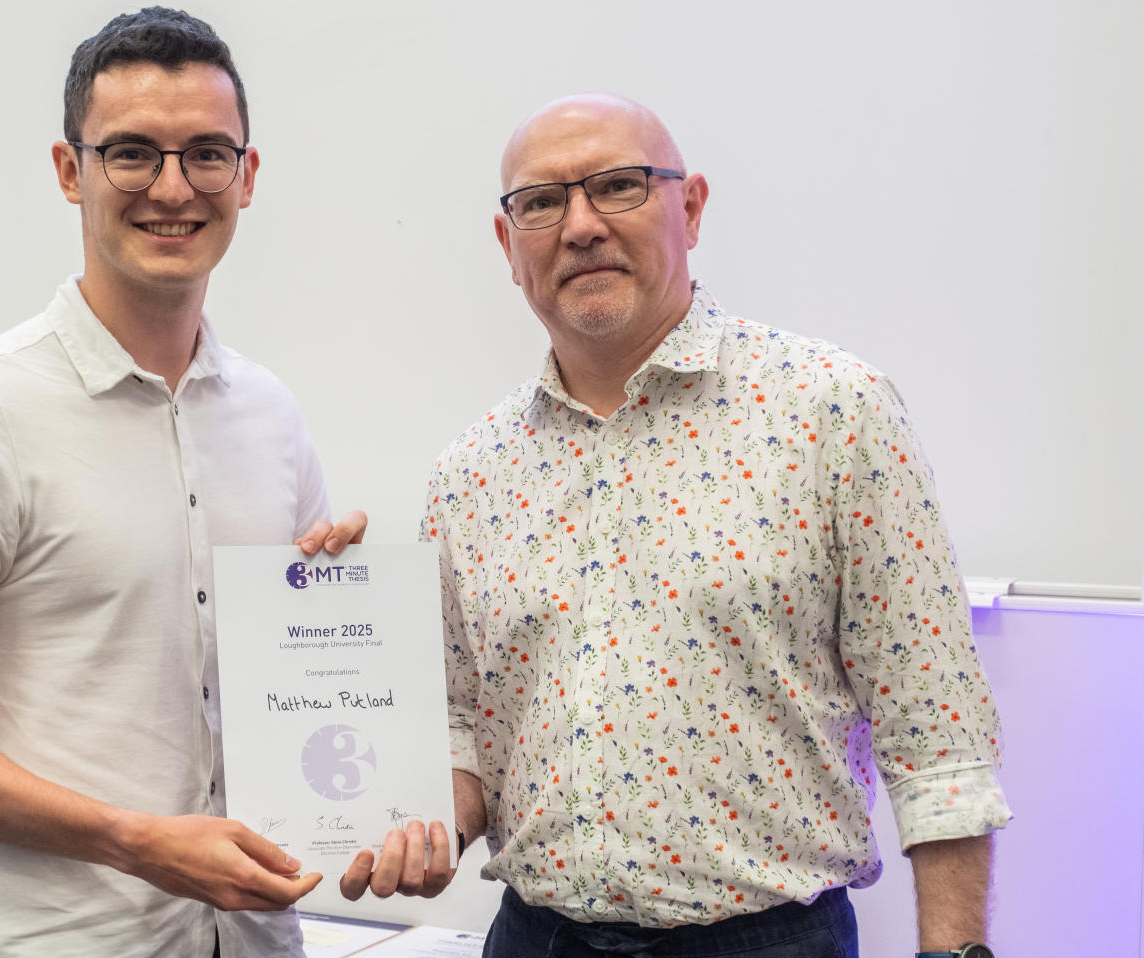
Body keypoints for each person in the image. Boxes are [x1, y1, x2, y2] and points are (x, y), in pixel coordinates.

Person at [340, 93, 1011, 958]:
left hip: (768, 943)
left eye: (617, 186)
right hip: (535, 941)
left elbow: (935, 730)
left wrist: (952, 953)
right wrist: (423, 823)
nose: (578, 225)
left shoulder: (831, 413)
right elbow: (463, 724)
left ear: (688, 208)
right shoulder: (469, 474)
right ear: (509, 247)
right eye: (540, 202)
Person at [0, 7, 366, 958]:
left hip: (255, 940)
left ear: (246, 177)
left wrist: (336, 621)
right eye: (131, 153)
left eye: (207, 154)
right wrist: (134, 841)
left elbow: (287, 703)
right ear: (68, 170)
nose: (173, 187)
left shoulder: (270, 412)